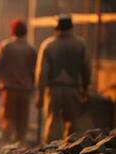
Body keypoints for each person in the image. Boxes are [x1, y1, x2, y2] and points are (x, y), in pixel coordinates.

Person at [35, 15, 91, 143]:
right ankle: (69, 152)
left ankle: (49, 153)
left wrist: (40, 92)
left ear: (57, 28)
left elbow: (41, 71)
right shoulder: (80, 44)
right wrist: (86, 89)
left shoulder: (48, 44)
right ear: (71, 28)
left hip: (53, 89)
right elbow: (86, 67)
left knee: (52, 123)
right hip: (73, 88)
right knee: (72, 123)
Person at [0, 20, 36, 142]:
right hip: (25, 89)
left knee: (7, 117)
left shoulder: (6, 46)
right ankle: (20, 142)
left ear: (12, 31)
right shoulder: (31, 48)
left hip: (9, 89)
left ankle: (7, 143)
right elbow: (35, 69)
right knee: (22, 119)